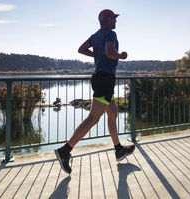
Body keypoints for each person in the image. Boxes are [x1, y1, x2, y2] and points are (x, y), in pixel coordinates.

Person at [55, 9, 135, 174]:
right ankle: (65, 150)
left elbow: (81, 49)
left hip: (101, 78)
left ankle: (118, 149)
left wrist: (97, 55)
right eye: (113, 18)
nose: (116, 21)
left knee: (112, 113)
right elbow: (110, 53)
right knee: (93, 118)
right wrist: (122, 55)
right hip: (105, 79)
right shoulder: (111, 35)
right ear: (106, 19)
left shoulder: (96, 35)